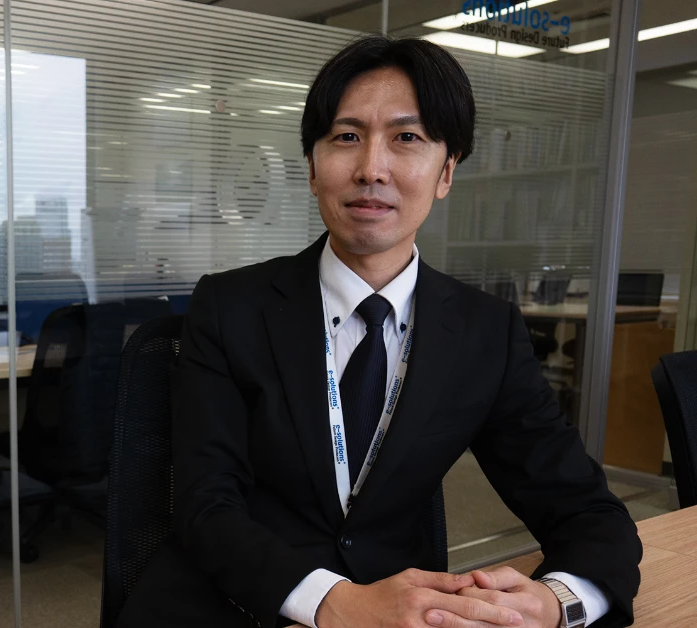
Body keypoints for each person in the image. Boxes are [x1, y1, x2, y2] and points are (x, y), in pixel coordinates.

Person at [116, 36, 641, 628]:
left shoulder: (485, 332)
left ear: (446, 171)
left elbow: (586, 510)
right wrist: (336, 603)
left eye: (406, 138)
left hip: (401, 610)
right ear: (312, 168)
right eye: (346, 137)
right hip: (232, 603)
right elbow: (205, 504)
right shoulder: (230, 306)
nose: (371, 168)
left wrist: (557, 602)